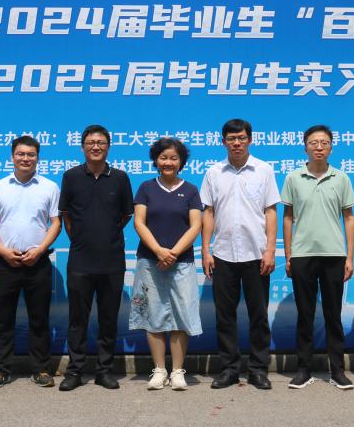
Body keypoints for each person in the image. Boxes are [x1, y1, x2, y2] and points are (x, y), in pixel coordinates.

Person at [201, 118, 279, 390]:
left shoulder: (264, 170)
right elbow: (208, 212)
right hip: (223, 254)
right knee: (225, 316)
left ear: (250, 140)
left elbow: (271, 211)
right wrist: (206, 249)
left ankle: (258, 370)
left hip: (256, 253)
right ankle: (229, 369)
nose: (237, 143)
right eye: (232, 139)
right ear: (223, 141)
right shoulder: (213, 173)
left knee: (259, 315)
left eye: (242, 138)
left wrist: (270, 250)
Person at [58, 125, 134, 391]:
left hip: (112, 261)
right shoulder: (71, 177)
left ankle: (104, 370)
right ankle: (75, 371)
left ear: (108, 147)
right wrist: (82, 237)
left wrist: (106, 234)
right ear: (83, 147)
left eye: (101, 142)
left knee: (108, 318)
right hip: (80, 260)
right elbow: (66, 215)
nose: (96, 146)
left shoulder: (120, 178)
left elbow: (126, 215)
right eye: (91, 142)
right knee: (77, 319)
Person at [281, 124, 354, 390]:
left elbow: (349, 219)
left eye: (324, 143)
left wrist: (349, 257)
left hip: (334, 254)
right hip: (302, 254)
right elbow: (288, 217)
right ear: (305, 147)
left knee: (333, 315)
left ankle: (337, 370)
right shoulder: (293, 178)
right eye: (314, 143)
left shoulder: (341, 178)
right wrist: (289, 255)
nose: (319, 147)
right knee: (305, 314)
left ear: (331, 148)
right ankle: (304, 369)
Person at [0, 135, 62, 389]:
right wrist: (2, 250)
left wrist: (40, 250)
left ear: (37, 158)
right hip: (6, 261)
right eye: (21, 154)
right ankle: (1, 369)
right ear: (12, 157)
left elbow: (56, 223)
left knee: (39, 319)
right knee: (3, 319)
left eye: (31, 154)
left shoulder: (49, 187)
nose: (25, 158)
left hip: (37, 261)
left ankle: (41, 369)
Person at [129, 138, 204, 391]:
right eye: (163, 158)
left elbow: (196, 225)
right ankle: (160, 370)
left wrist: (173, 253)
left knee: (181, 314)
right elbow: (139, 222)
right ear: (155, 160)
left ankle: (178, 371)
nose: (168, 162)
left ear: (181, 162)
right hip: (150, 261)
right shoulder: (146, 188)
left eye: (173, 158)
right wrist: (159, 251)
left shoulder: (190, 190)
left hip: (182, 263)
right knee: (153, 314)